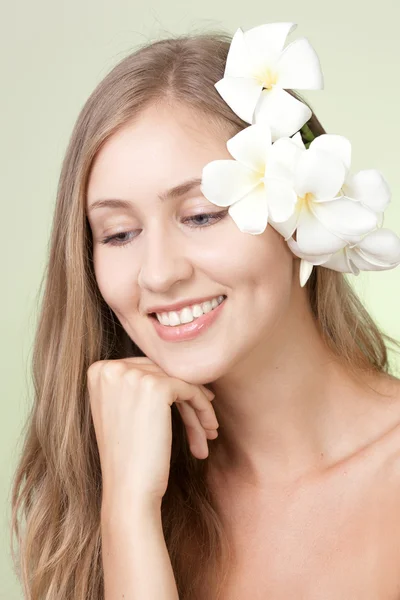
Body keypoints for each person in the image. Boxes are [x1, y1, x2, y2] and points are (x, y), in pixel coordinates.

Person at [10, 24, 400, 600]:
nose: (159, 273)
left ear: (295, 215)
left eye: (199, 216)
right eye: (118, 234)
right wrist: (127, 512)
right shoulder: (114, 497)